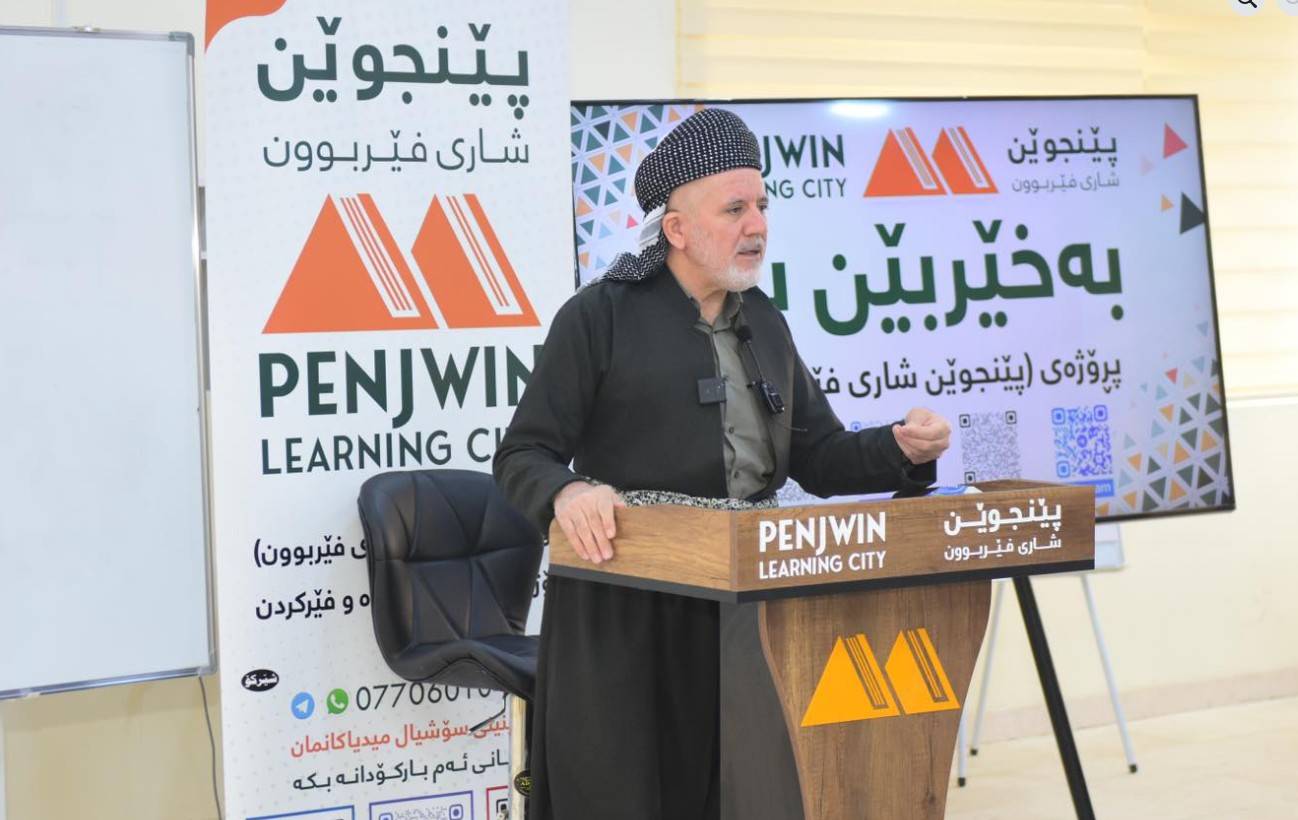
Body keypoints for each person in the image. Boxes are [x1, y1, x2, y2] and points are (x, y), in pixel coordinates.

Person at [493, 108, 951, 819]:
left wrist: (899, 447)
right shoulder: (599, 316)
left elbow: (817, 457)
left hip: (748, 605)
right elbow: (524, 453)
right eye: (735, 209)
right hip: (631, 608)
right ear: (676, 229)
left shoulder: (763, 320)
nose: (757, 225)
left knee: (745, 794)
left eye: (762, 206)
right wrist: (570, 492)